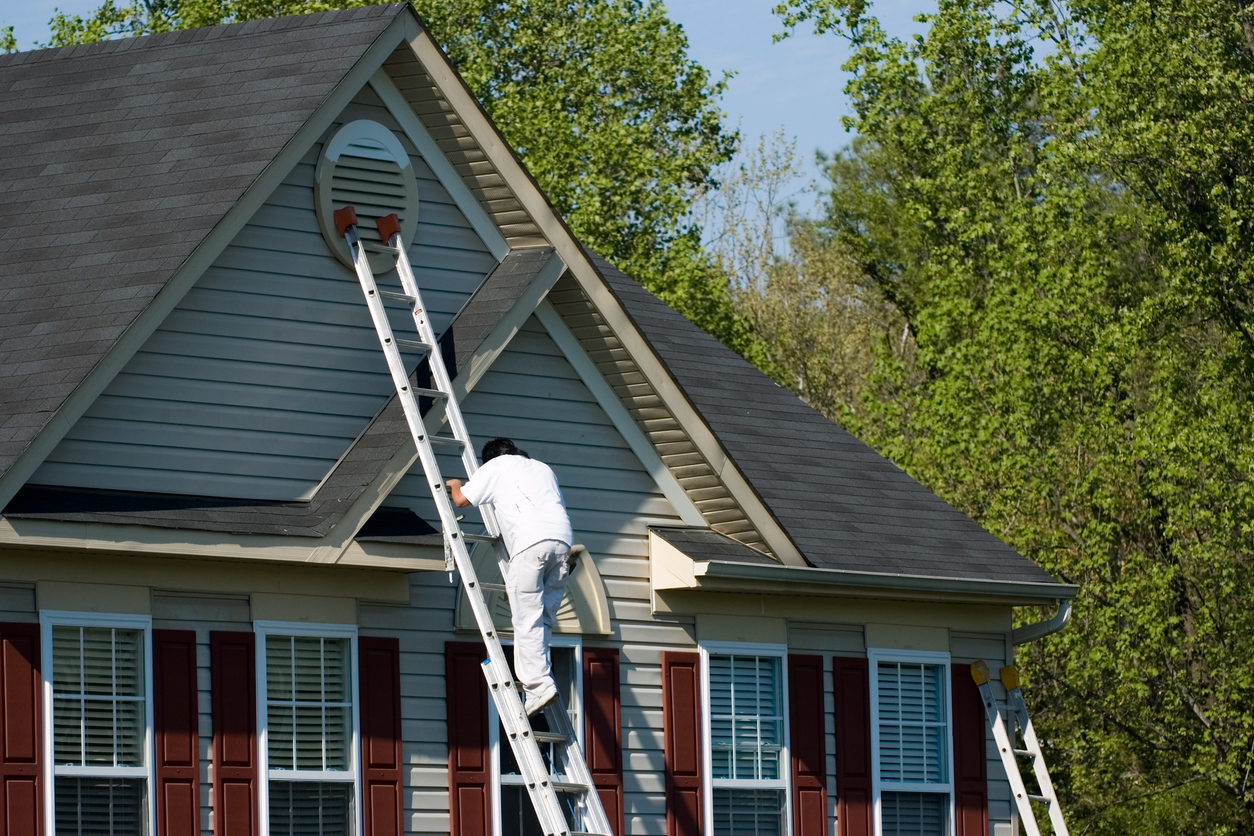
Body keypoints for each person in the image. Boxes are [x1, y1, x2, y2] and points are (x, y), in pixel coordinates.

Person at [446, 437, 573, 716]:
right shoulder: (541, 468)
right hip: (562, 543)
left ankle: (539, 687)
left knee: (526, 619)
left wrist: (455, 484)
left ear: (489, 458)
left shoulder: (496, 466)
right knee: (543, 619)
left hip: (530, 545)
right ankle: (543, 678)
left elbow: (461, 500)